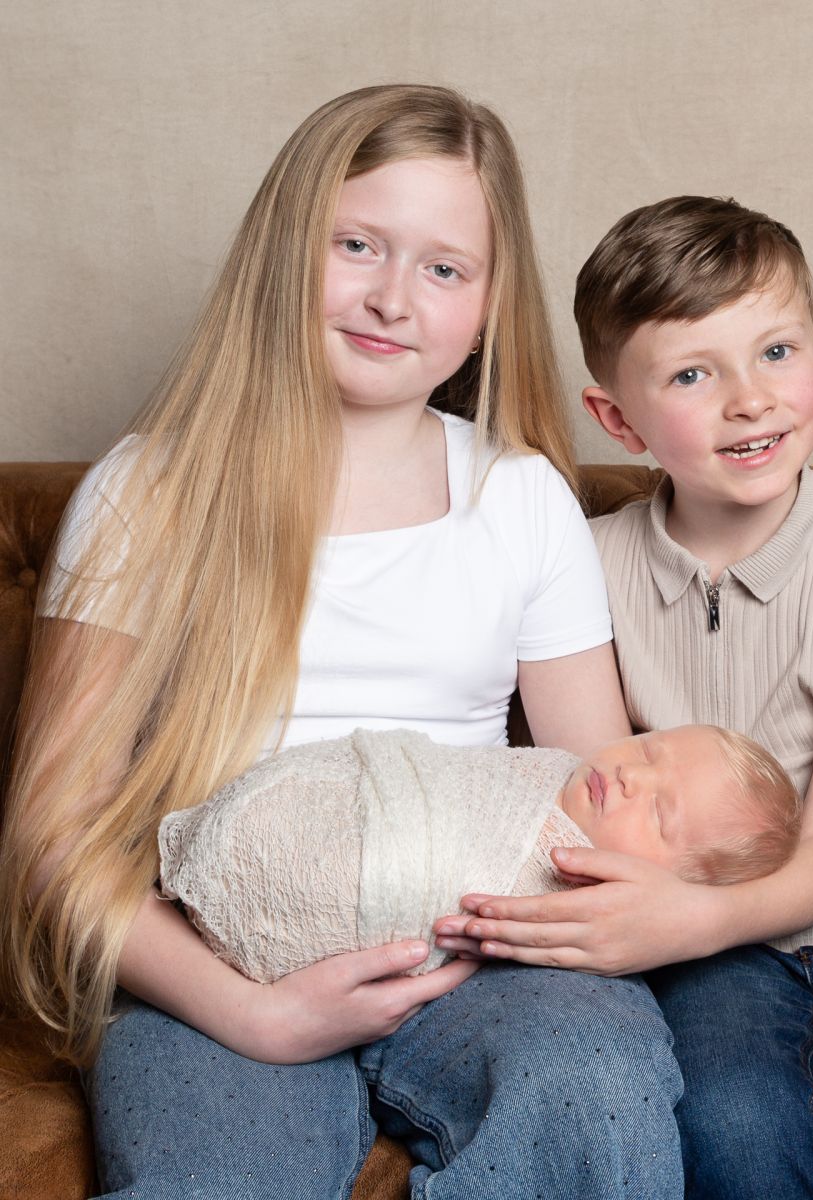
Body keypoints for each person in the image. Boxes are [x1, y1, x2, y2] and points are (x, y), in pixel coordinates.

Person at [0, 88, 685, 1200]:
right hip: (218, 955)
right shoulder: (147, 494)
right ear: (284, 248)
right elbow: (54, 839)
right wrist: (253, 1015)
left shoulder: (520, 500)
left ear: (488, 305)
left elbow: (600, 792)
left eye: (444, 268)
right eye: (356, 244)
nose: (391, 298)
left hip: (488, 954)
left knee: (599, 1086)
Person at [439, 195, 813, 1198]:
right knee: (729, 1122)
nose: (750, 400)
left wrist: (682, 922)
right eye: (691, 374)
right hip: (713, 940)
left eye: (774, 354)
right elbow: (571, 787)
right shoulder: (582, 565)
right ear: (617, 418)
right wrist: (665, 923)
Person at [159, 724, 801, 983]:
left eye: (660, 815)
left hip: (370, 892)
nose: (632, 776)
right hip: (348, 791)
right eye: (647, 749)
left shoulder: (587, 898)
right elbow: (456, 777)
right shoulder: (551, 769)